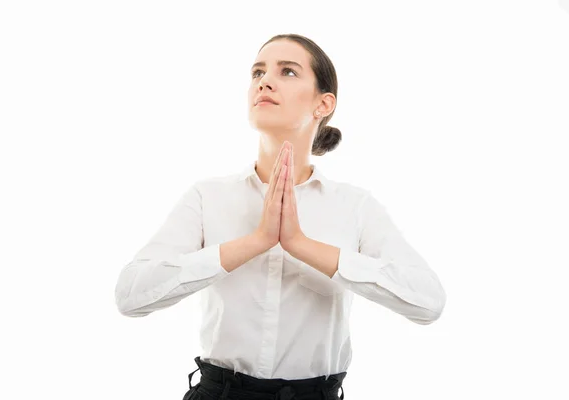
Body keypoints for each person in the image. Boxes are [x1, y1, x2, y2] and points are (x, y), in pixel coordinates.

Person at [114, 33, 447, 400]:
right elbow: (131, 296)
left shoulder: (356, 206)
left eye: (287, 71)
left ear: (324, 103)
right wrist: (254, 243)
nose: (264, 81)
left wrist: (303, 246)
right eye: (257, 72)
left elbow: (428, 302)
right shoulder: (207, 197)